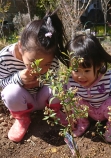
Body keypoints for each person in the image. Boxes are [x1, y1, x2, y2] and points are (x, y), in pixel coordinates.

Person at [0, 10, 68, 142]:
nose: (40, 70)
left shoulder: (51, 57)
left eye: (46, 64)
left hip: (44, 99)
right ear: (20, 47)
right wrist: (18, 79)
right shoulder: (4, 58)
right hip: (23, 101)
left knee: (61, 85)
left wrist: (41, 81)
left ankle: (54, 112)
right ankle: (22, 119)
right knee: (10, 92)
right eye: (33, 63)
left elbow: (54, 80)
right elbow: (1, 83)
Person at [65, 34, 111, 143]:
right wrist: (70, 115)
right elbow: (67, 98)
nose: (81, 76)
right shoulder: (71, 81)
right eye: (76, 70)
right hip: (88, 110)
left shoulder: (107, 77)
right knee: (75, 101)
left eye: (86, 71)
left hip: (105, 108)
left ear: (99, 65)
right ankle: (83, 122)